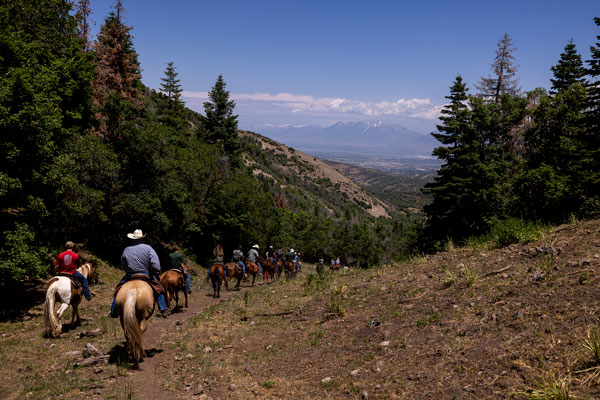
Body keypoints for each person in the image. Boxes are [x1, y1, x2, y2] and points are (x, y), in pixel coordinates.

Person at [108, 229, 170, 318]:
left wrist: (128, 270)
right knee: (159, 289)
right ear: (141, 238)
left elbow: (123, 264)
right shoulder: (148, 248)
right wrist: (156, 273)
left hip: (130, 274)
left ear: (132, 238)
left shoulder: (126, 249)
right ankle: (163, 309)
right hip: (146, 273)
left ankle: (113, 311)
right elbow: (155, 264)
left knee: (118, 290)